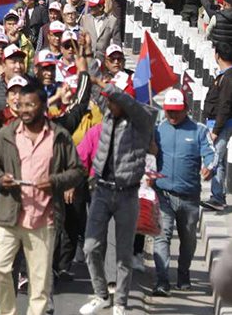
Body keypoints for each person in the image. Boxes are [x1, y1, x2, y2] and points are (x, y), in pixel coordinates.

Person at [0, 81, 85, 315]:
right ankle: (6, 311)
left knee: (39, 286)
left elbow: (78, 170)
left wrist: (55, 182)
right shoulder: (7, 134)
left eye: (30, 105)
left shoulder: (59, 136)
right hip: (8, 215)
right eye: (21, 105)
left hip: (43, 219)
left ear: (43, 106)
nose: (25, 110)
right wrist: (0, 178)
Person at [79, 76, 157, 315]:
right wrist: (88, 65)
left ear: (125, 99)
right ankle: (101, 294)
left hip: (127, 194)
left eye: (113, 100)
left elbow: (128, 103)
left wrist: (110, 89)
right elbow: (92, 86)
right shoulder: (109, 116)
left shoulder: (143, 120)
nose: (108, 105)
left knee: (123, 253)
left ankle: (121, 302)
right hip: (101, 190)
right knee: (91, 247)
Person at [151, 88, 215, 295]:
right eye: (169, 111)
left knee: (188, 240)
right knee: (162, 237)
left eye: (177, 111)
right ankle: (162, 281)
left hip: (189, 198)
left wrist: (209, 167)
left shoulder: (199, 130)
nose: (173, 115)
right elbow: (147, 155)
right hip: (163, 196)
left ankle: (183, 274)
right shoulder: (158, 130)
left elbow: (211, 154)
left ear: (186, 109)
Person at [203, 41, 232, 210]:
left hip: (220, 125)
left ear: (217, 56)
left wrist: (215, 131)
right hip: (218, 124)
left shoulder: (227, 78)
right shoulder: (224, 76)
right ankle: (218, 195)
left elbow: (225, 106)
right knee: (219, 160)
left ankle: (217, 198)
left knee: (214, 158)